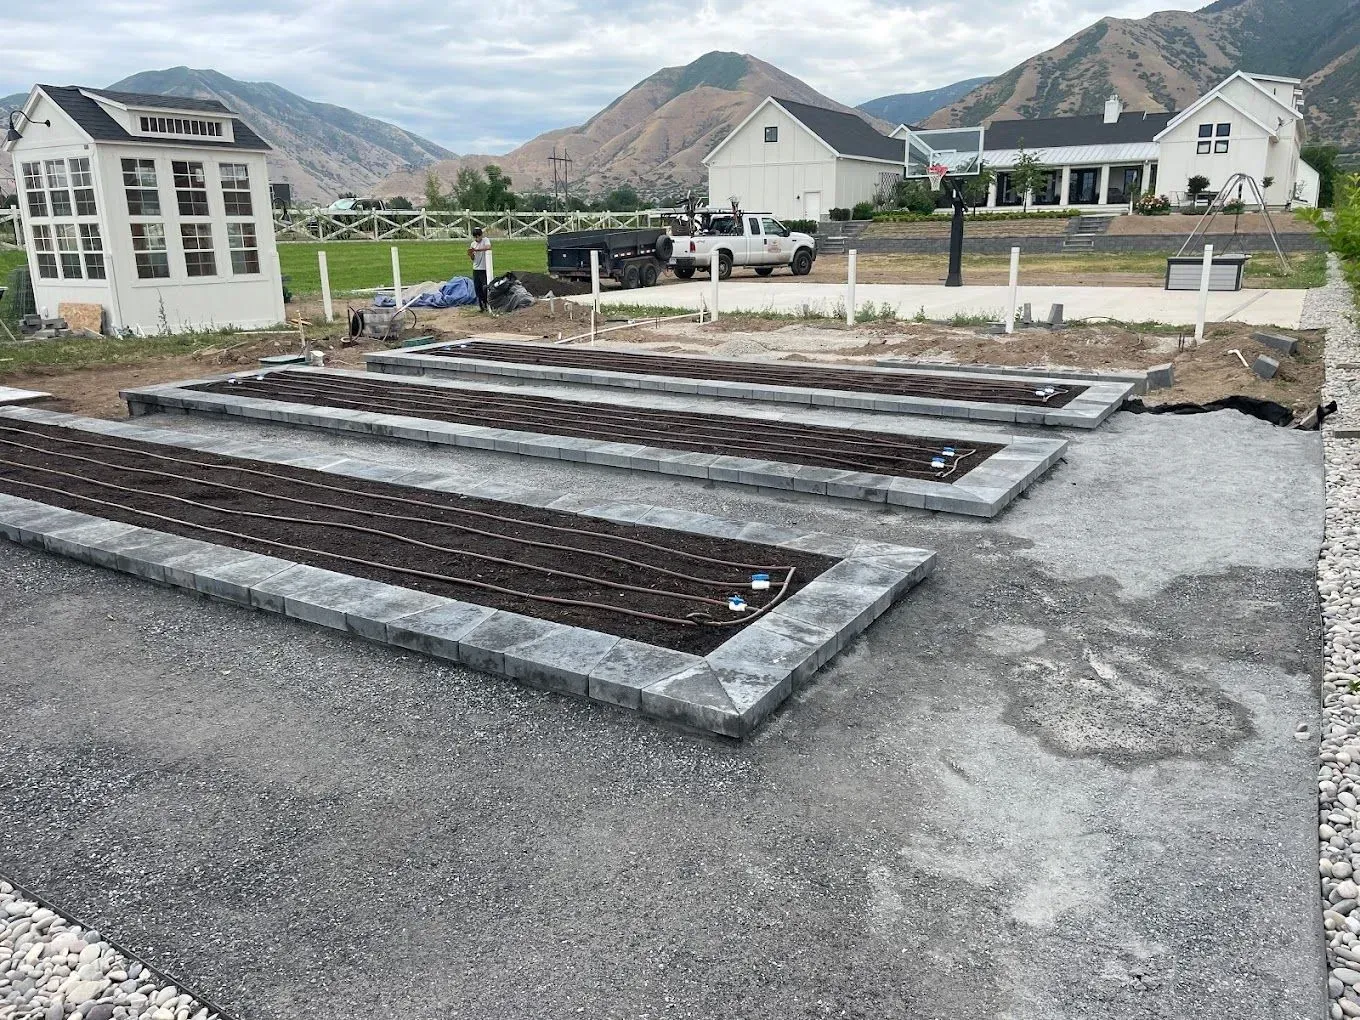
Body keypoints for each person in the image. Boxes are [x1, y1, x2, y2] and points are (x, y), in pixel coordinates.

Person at [468, 227, 491, 312]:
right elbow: (473, 258)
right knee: (477, 288)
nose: (477, 239)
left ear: (481, 235)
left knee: (484, 287)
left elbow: (488, 247)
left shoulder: (485, 240)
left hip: (484, 268)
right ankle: (481, 305)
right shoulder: (473, 244)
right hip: (476, 268)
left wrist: (477, 250)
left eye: (478, 236)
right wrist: (471, 254)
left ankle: (487, 302)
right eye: (475, 237)